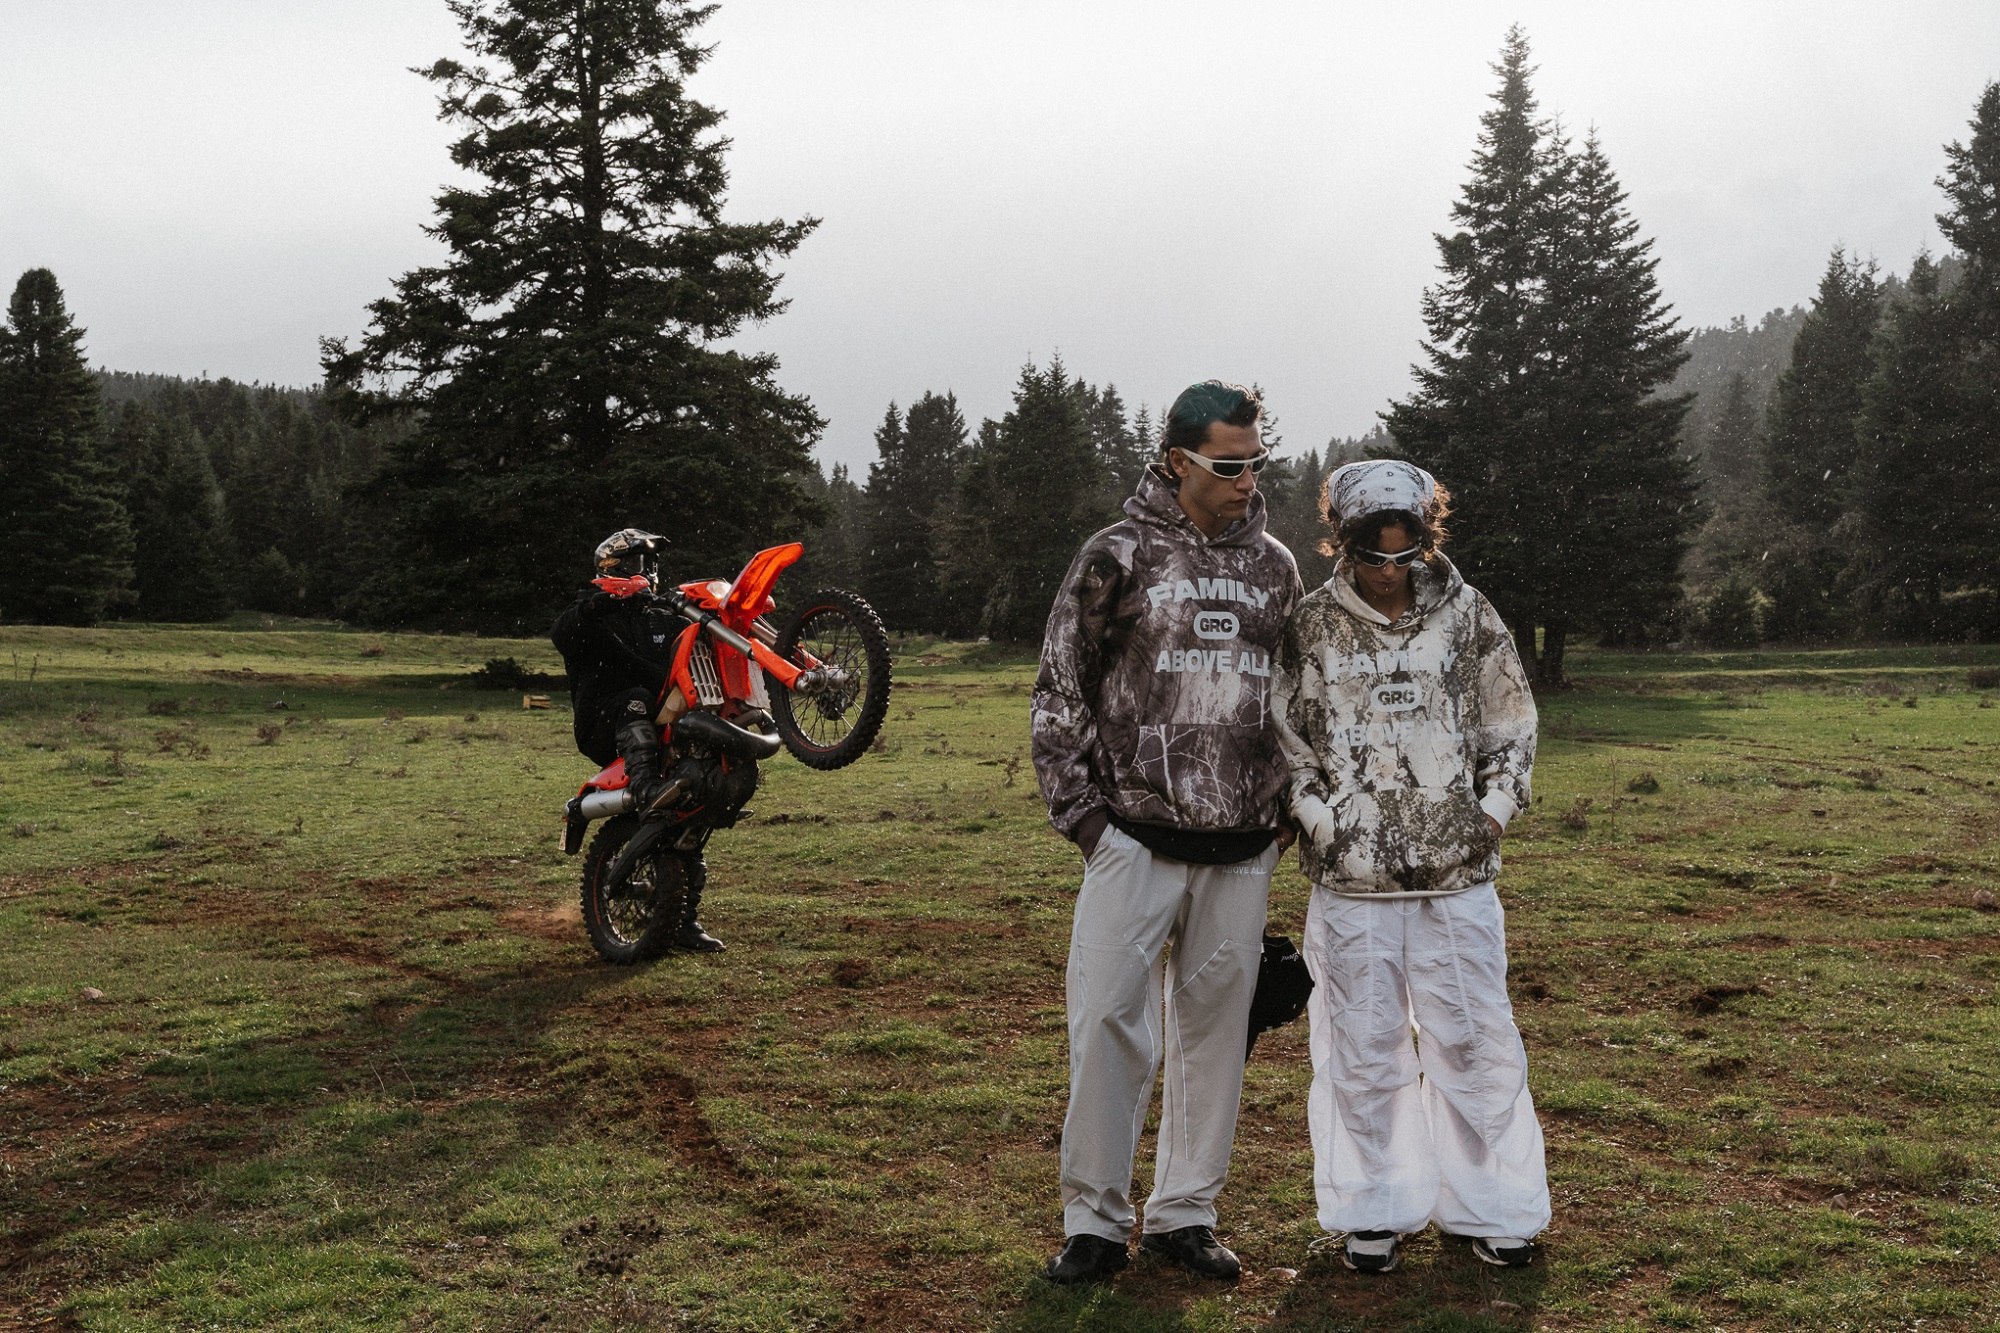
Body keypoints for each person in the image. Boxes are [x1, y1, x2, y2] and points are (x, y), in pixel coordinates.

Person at [1031, 380, 1303, 1284]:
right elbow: (1060, 686)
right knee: (1108, 1021)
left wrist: (1282, 821)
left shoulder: (1276, 567)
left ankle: (1186, 1212)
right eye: (1229, 464)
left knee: (1214, 1035)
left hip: (1242, 847)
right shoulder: (1115, 553)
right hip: (1132, 838)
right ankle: (1094, 1222)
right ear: (1179, 460)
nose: (1248, 478)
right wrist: (1087, 821)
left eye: (1256, 461)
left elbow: (1298, 699)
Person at [1271, 459, 1547, 1274]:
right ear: (1343, 542)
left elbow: (1511, 718)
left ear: (1425, 540)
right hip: (1352, 880)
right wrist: (1317, 816)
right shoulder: (1312, 625)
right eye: (1372, 555)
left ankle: (1493, 1205)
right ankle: (1375, 1207)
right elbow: (1287, 735)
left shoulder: (1469, 613)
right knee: (1363, 1044)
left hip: (1456, 874)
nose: (1388, 571)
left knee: (1474, 1037)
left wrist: (1492, 813)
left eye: (1404, 553)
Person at [551, 527, 724, 953]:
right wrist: (603, 601)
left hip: (657, 724)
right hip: (603, 722)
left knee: (689, 826)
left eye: (649, 564)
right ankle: (646, 787)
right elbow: (562, 633)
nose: (646, 572)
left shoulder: (660, 615)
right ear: (613, 568)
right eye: (637, 564)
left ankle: (683, 921)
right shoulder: (590, 612)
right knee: (637, 698)